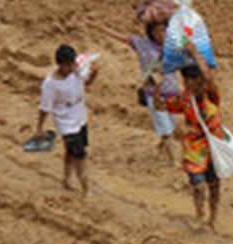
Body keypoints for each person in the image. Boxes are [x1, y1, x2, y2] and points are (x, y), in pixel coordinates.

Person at [88, 17, 179, 164]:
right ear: (151, 33)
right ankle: (173, 162)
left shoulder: (173, 46)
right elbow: (118, 36)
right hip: (153, 94)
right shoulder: (142, 44)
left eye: (164, 30)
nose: (161, 34)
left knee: (171, 128)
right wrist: (95, 25)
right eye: (157, 31)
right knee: (167, 131)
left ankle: (162, 147)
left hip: (172, 92)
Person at [156, 43, 223, 229]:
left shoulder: (211, 95)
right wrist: (156, 88)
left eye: (192, 82)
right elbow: (161, 106)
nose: (188, 85)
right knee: (199, 186)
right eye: (186, 82)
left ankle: (213, 218)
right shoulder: (185, 100)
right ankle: (200, 215)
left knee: (214, 185)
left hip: (212, 148)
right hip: (194, 150)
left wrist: (195, 53)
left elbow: (209, 77)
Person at [34, 44, 98, 197]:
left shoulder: (76, 72)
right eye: (68, 65)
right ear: (60, 64)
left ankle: (66, 180)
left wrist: (94, 73)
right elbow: (44, 108)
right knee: (80, 155)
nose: (71, 67)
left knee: (70, 152)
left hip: (80, 117)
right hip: (66, 124)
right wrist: (39, 128)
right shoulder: (50, 84)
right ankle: (86, 189)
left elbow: (86, 83)